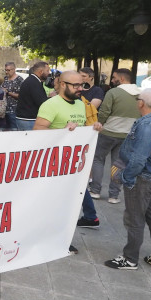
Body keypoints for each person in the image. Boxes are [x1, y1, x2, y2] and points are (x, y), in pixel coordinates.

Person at [33, 71, 103, 249]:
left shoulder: (80, 104)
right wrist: (61, 131)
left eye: (83, 85)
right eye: (76, 86)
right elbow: (36, 133)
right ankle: (45, 238)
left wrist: (93, 128)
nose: (81, 89)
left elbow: (81, 131)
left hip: (73, 166)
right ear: (62, 84)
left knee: (68, 205)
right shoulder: (51, 105)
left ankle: (61, 239)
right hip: (52, 165)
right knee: (52, 204)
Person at [104, 88, 151, 270]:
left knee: (134, 218)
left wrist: (127, 176)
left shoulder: (147, 124)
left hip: (142, 177)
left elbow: (139, 157)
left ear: (141, 103)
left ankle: (130, 258)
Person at [89, 68, 140, 204]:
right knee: (118, 164)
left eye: (114, 78)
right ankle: (114, 195)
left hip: (108, 132)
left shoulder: (113, 92)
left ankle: (95, 191)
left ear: (122, 79)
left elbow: (104, 111)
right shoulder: (140, 94)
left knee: (98, 160)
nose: (112, 80)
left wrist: (99, 123)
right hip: (127, 135)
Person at [15, 61, 50, 130]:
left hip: (26, 119)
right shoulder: (34, 82)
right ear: (41, 71)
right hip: (28, 120)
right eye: (47, 70)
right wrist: (52, 98)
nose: (49, 73)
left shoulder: (33, 81)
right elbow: (42, 102)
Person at [1, 62, 24, 130]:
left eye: (8, 70)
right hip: (3, 111)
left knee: (13, 131)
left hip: (14, 111)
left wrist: (8, 93)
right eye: (5, 70)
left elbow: (22, 96)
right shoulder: (4, 79)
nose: (6, 72)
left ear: (14, 69)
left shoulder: (20, 80)